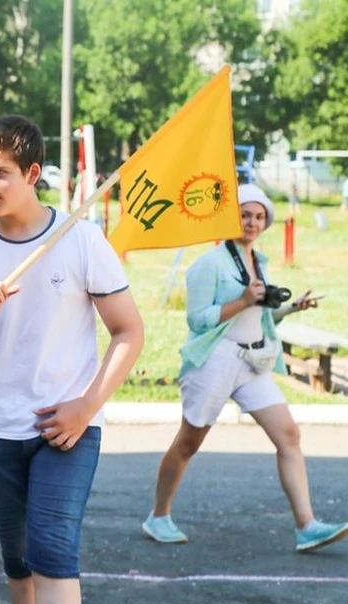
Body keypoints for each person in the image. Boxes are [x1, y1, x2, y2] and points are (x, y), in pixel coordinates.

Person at [0, 115, 144, 604]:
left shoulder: (82, 239)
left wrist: (86, 407)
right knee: (19, 557)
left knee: (53, 549)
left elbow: (129, 332)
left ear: (33, 173)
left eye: (0, 172)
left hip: (65, 426)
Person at [143, 183, 348, 553]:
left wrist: (291, 308)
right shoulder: (210, 263)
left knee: (289, 435)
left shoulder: (259, 261)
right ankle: (159, 515)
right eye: (244, 214)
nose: (252, 222)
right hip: (215, 360)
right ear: (228, 217)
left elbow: (260, 313)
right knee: (189, 443)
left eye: (258, 216)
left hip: (252, 361)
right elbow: (198, 319)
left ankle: (307, 525)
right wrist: (240, 301)